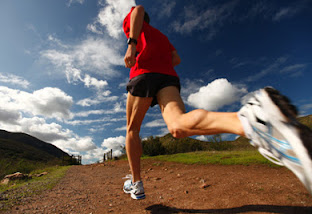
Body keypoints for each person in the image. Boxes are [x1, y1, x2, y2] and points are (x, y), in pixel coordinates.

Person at [122, 5, 312, 200]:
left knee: (132, 129)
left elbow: (138, 9)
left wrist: (132, 43)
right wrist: (160, 60)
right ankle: (251, 120)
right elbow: (175, 59)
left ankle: (136, 183)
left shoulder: (134, 22)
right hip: (168, 77)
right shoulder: (162, 36)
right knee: (178, 125)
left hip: (143, 71)